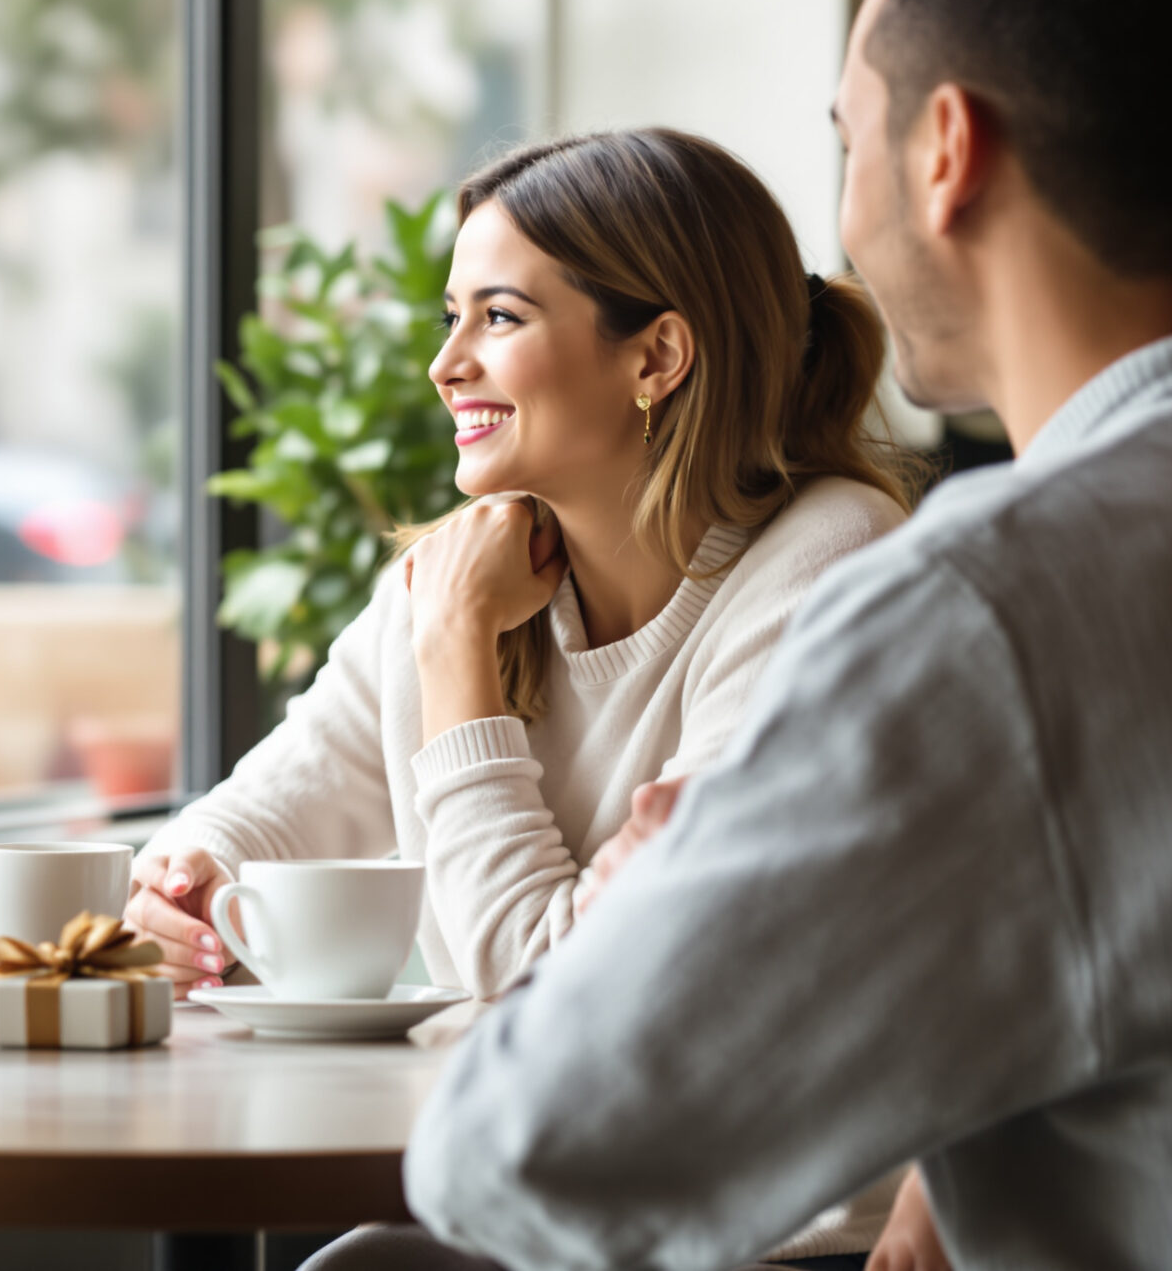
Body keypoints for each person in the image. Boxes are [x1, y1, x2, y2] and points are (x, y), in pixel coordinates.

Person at [392, 0, 1172, 1268]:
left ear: (946, 152)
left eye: (844, 136)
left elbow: (523, 1156)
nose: (845, 215)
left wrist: (668, 907)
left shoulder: (986, 608)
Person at [126, 127, 916, 1263]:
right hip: (550, 1208)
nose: (446, 364)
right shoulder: (464, 568)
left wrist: (456, 654)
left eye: (497, 317)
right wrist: (183, 882)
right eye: (451, 318)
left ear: (657, 358)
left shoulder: (827, 566)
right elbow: (276, 803)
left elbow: (563, 993)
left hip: (765, 1238)